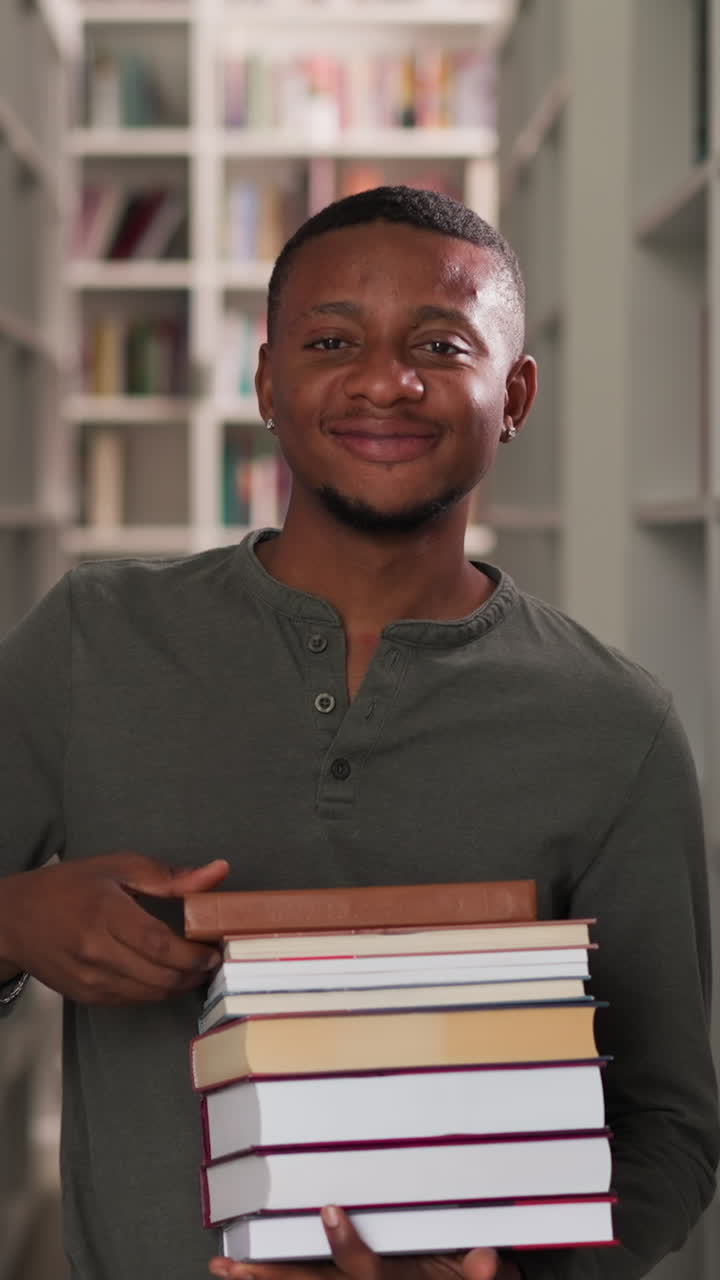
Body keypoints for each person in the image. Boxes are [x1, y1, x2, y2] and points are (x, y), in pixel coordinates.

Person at [0, 185, 717, 1280]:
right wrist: (12, 920)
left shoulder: (616, 724)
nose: (387, 379)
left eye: (440, 342)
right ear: (266, 382)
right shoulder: (90, 639)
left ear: (515, 393)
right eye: (333, 340)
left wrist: (519, 1276)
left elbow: (669, 1118)